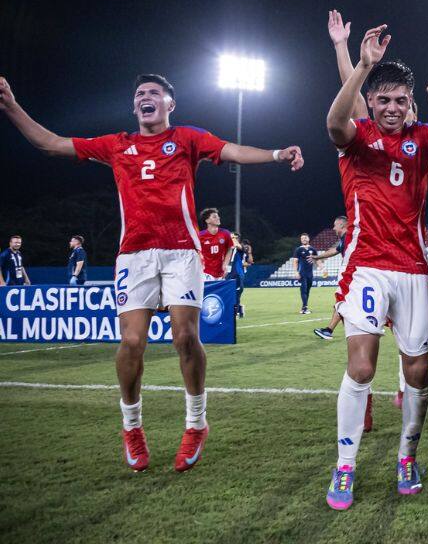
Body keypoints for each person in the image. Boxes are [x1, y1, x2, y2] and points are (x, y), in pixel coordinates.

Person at [0, 72, 303, 473]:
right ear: (135, 106)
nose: (146, 97)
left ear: (168, 105)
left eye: (154, 93)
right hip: (135, 256)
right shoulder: (116, 145)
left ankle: (196, 423)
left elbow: (232, 151)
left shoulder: (188, 139)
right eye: (140, 93)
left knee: (185, 336)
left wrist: (278, 153)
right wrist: (10, 106)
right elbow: (50, 144)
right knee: (131, 342)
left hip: (181, 252)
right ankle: (132, 428)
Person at [323, 24, 428, 509]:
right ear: (373, 100)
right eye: (382, 99)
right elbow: (333, 122)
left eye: (400, 100)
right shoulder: (357, 137)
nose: (391, 108)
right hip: (366, 264)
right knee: (362, 365)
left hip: (412, 269)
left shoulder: (424, 137)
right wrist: (357, 60)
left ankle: (407, 455)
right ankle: (344, 467)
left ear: (412, 104)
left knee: (419, 372)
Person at [313, 215, 350, 339]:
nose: (333, 228)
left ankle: (329, 331)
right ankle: (351, 333)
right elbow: (335, 250)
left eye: (335, 225)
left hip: (350, 274)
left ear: (342, 225)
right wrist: (317, 257)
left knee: (341, 302)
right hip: (350, 273)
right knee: (342, 303)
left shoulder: (349, 238)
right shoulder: (346, 239)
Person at [198, 209, 234, 280]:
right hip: (205, 272)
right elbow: (196, 251)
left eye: (218, 216)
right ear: (207, 221)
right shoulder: (200, 235)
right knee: (208, 291)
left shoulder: (225, 233)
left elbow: (230, 248)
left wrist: (226, 264)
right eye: (214, 217)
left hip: (220, 272)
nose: (218, 218)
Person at [293, 234, 319, 314]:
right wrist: (296, 272)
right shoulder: (298, 249)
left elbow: (317, 260)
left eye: (305, 238)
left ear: (308, 238)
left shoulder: (313, 249)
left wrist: (323, 268)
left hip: (310, 274)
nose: (303, 239)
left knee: (307, 290)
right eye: (302, 238)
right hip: (302, 273)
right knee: (303, 289)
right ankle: (305, 308)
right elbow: (295, 261)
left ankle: (304, 307)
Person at [229, 234, 250, 317]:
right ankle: (238, 309)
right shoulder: (229, 248)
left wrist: (233, 237)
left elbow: (238, 246)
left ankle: (236, 312)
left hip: (237, 274)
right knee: (229, 294)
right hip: (228, 273)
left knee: (236, 294)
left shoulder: (241, 247)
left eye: (234, 238)